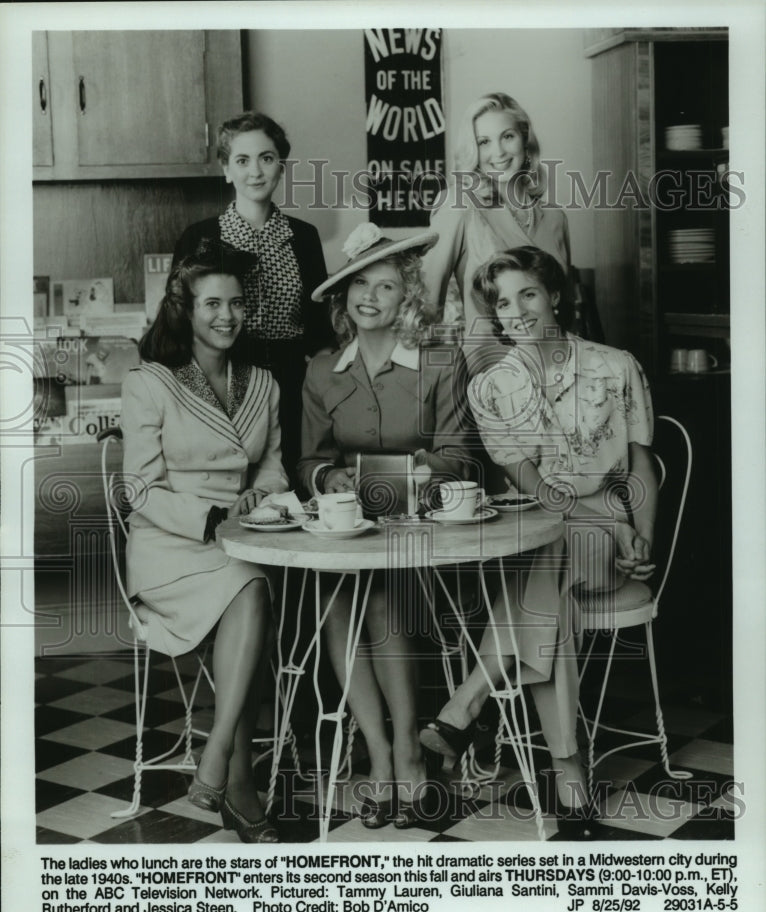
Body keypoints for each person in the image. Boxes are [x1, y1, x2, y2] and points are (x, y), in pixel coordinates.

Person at [420, 246, 657, 836]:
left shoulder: (614, 365)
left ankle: (465, 704)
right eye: (502, 301)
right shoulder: (492, 388)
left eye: (528, 293)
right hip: (554, 531)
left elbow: (641, 464)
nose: (516, 310)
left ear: (555, 294)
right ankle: (566, 764)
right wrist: (584, 513)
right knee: (552, 592)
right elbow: (531, 484)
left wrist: (642, 534)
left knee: (546, 572)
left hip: (611, 526)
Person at [299, 223, 474, 829]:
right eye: (357, 285)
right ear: (344, 299)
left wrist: (390, 476)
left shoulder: (440, 364)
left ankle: (405, 748)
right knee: (337, 599)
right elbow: (310, 459)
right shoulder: (323, 371)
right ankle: (380, 754)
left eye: (385, 286)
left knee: (377, 597)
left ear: (408, 299)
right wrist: (329, 481)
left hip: (422, 535)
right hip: (349, 533)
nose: (368, 297)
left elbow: (458, 454)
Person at [121, 244, 289, 844]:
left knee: (248, 583)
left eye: (237, 302)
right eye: (212, 303)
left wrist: (258, 500)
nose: (227, 315)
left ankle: (219, 761)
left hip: (239, 541)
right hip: (169, 546)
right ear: (185, 310)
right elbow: (138, 487)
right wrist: (214, 513)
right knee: (249, 589)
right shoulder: (150, 382)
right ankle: (234, 783)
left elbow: (272, 470)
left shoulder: (263, 383)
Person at [174, 111, 333, 480]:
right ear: (226, 169)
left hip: (293, 385)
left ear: (281, 166)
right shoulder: (198, 238)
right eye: (242, 161)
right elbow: (180, 327)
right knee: (231, 490)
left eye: (266, 158)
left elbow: (320, 331)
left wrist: (316, 390)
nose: (256, 171)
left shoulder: (304, 237)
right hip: (221, 382)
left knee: (292, 486)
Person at [421, 93, 571, 372]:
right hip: (490, 372)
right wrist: (432, 381)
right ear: (473, 151)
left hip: (555, 368)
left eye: (508, 136)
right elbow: (425, 303)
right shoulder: (460, 206)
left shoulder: (555, 218)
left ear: (526, 141)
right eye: (484, 141)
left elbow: (564, 309)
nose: (498, 152)